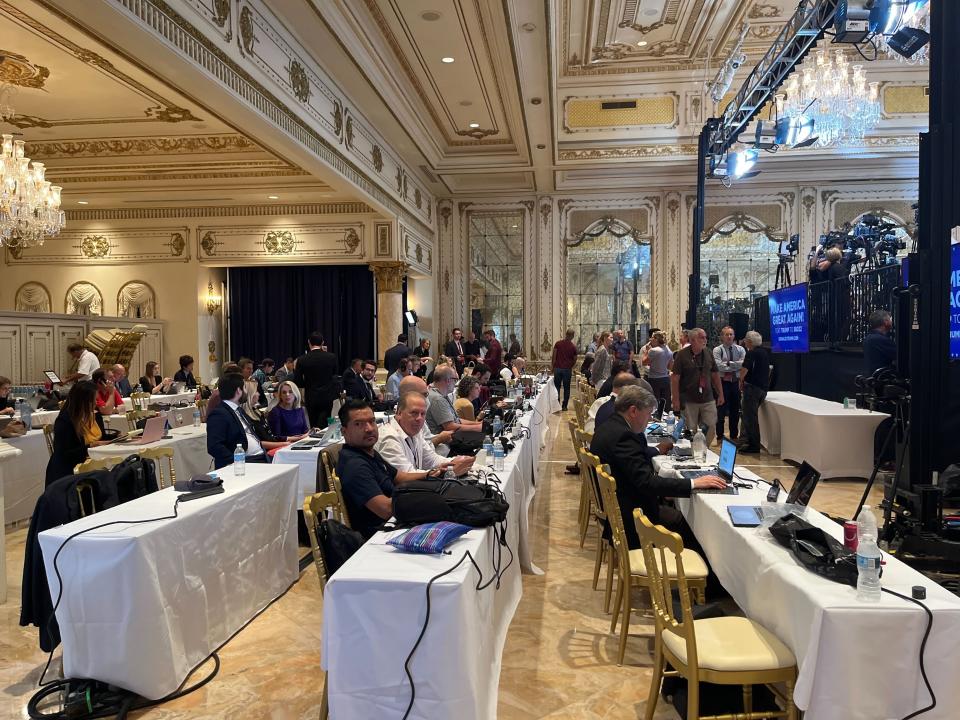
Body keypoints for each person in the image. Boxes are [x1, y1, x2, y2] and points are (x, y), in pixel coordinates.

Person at [590, 386, 725, 548]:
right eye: (648, 414)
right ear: (633, 411)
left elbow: (637, 475)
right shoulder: (623, 436)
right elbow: (646, 483)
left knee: (672, 505)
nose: (648, 421)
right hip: (632, 518)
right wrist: (694, 483)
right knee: (689, 525)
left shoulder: (611, 426)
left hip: (622, 506)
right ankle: (706, 572)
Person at [336, 400, 399, 539]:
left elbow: (398, 476)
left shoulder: (368, 452)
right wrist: (421, 497)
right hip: (380, 536)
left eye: (372, 421)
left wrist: (432, 474)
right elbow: (385, 509)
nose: (369, 428)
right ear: (344, 431)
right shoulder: (354, 465)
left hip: (394, 523)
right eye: (359, 424)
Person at [376, 392, 474, 478]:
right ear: (399, 413)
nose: (419, 418)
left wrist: (457, 461)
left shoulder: (414, 431)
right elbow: (407, 475)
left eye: (423, 414)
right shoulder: (389, 439)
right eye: (414, 413)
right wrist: (450, 471)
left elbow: (431, 460)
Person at [45, 381, 108, 485]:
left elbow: (102, 438)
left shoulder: (94, 416)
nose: (96, 403)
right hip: (69, 471)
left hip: (90, 461)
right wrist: (90, 446)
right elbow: (66, 454)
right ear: (83, 401)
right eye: (93, 401)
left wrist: (119, 438)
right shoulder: (65, 421)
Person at [671, 328, 725, 446]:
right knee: (691, 429)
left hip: (708, 398)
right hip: (689, 399)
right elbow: (675, 378)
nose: (705, 340)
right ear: (693, 340)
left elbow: (715, 374)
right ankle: (693, 451)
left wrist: (720, 393)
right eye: (702, 337)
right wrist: (675, 399)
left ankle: (703, 449)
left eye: (705, 337)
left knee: (710, 426)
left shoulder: (708, 352)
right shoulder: (682, 355)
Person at [206, 372, 268, 469]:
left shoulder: (238, 410)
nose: (246, 392)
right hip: (244, 463)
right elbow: (214, 446)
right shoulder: (219, 414)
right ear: (239, 391)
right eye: (244, 388)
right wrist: (238, 461)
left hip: (260, 458)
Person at [426, 366, 484, 454]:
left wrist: (478, 424)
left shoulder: (442, 395)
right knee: (485, 440)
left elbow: (456, 420)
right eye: (455, 380)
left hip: (452, 439)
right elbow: (450, 427)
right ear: (448, 380)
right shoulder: (437, 399)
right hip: (446, 444)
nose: (456, 383)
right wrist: (478, 428)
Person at [293, 331, 339, 426]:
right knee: (326, 423)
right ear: (322, 343)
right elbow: (335, 376)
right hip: (327, 396)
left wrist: (308, 383)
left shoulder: (302, 359)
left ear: (309, 342)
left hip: (311, 396)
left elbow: (298, 382)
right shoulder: (331, 357)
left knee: (313, 424)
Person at [738, 331, 771, 454]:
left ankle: (753, 445)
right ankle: (746, 441)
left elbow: (744, 369)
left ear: (750, 342)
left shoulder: (751, 353)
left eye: (746, 340)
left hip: (752, 389)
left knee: (750, 418)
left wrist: (740, 381)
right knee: (751, 416)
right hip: (763, 389)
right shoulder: (764, 353)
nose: (744, 342)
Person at [713, 326, 745, 442]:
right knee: (720, 410)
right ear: (722, 336)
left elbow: (743, 364)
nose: (729, 337)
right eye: (726, 334)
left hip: (735, 383)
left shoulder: (740, 349)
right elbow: (718, 366)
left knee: (735, 411)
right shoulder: (717, 350)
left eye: (731, 334)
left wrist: (728, 363)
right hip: (722, 383)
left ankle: (733, 436)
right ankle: (720, 436)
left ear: (734, 336)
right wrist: (735, 366)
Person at [240, 380, 288, 455]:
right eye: (256, 391)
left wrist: (294, 439)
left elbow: (271, 437)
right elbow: (259, 443)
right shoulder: (246, 417)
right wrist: (284, 444)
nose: (259, 394)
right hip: (265, 452)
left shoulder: (257, 413)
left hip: (273, 447)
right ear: (250, 394)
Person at [643, 331, 673, 415]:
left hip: (654, 379)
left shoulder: (653, 350)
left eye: (652, 337)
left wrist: (647, 351)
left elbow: (644, 362)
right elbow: (670, 367)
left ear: (656, 339)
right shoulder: (668, 350)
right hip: (665, 378)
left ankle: (655, 418)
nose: (650, 339)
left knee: (655, 401)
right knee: (666, 401)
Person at [551, 329, 578, 411]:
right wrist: (570, 365)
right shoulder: (573, 346)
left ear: (566, 334)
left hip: (557, 368)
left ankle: (557, 405)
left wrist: (553, 366)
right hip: (567, 369)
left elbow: (554, 356)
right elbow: (575, 359)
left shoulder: (558, 344)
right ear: (572, 336)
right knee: (566, 388)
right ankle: (564, 406)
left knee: (557, 387)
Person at [864, 310, 897, 374]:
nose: (892, 321)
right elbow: (899, 355)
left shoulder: (870, 337)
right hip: (884, 377)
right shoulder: (880, 339)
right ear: (886, 322)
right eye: (890, 319)